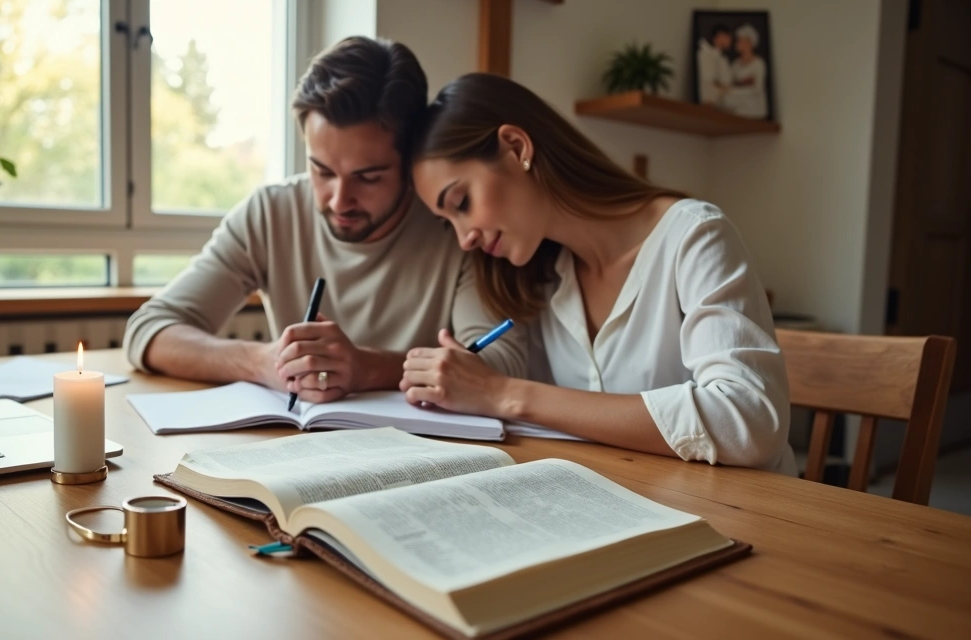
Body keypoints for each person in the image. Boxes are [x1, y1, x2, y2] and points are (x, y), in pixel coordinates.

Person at [400, 73, 794, 475]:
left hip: (742, 508)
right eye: (448, 222)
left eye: (462, 202)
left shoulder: (694, 236)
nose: (464, 238)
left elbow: (749, 422)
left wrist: (504, 394)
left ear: (516, 147)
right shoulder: (536, 277)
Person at [123, 38, 524, 404]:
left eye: (368, 177)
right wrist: (263, 362)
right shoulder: (271, 213)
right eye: (322, 171)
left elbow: (500, 364)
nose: (339, 199)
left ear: (410, 162)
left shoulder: (459, 225)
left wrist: (368, 368)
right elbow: (149, 330)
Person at [722, 23, 769, 118]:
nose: (737, 44)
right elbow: (730, 82)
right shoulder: (735, 64)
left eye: (740, 41)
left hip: (752, 103)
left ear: (749, 43)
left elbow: (756, 89)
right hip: (737, 97)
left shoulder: (758, 63)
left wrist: (733, 91)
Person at [696, 23, 733, 106]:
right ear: (720, 36)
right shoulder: (706, 54)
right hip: (710, 103)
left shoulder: (722, 59)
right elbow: (708, 81)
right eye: (728, 37)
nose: (730, 40)